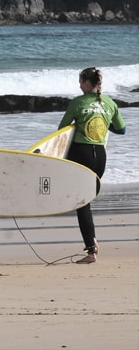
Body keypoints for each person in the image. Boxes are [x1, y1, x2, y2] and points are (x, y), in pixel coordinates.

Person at [58, 67, 126, 264]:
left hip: (81, 154)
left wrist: (78, 125)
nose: (79, 86)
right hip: (100, 157)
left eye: (81, 82)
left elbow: (62, 129)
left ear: (88, 83)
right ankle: (91, 245)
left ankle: (91, 250)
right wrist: (104, 125)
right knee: (85, 200)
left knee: (82, 203)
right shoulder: (110, 103)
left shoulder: (78, 103)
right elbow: (121, 130)